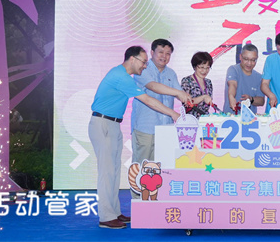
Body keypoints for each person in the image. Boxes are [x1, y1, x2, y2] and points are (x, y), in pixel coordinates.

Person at [89, 46, 180, 229]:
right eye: (143, 62)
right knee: (107, 172)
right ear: (132, 59)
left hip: (112, 124)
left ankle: (114, 212)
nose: (145, 66)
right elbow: (148, 100)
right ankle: (106, 216)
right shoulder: (121, 76)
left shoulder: (124, 76)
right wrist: (173, 113)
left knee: (114, 171)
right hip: (103, 124)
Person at [130, 39, 191, 171]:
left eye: (168, 53)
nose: (164, 56)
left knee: (161, 168)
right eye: (161, 52)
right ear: (152, 52)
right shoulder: (142, 69)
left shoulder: (171, 73)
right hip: (145, 127)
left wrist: (191, 97)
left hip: (166, 129)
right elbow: (153, 86)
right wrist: (178, 93)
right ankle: (138, 186)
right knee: (141, 168)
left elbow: (179, 94)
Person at [224, 44, 264, 113]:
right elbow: (232, 84)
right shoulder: (233, 69)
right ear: (240, 57)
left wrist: (251, 99)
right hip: (230, 117)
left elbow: (261, 101)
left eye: (253, 60)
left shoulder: (259, 77)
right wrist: (231, 97)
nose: (249, 63)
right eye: (246, 59)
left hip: (250, 118)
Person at [180, 52, 214, 118]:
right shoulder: (187, 81)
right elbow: (187, 103)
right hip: (191, 119)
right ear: (195, 66)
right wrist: (203, 97)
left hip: (205, 119)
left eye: (207, 68)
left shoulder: (208, 82)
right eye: (201, 67)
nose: (204, 71)